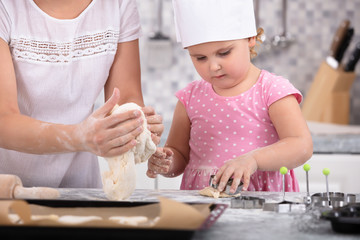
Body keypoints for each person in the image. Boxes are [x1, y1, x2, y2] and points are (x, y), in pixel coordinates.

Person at [147, 0, 313, 193]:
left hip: (263, 202)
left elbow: (301, 145)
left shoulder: (272, 90)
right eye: (200, 57)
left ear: (250, 38)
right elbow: (179, 156)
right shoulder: (190, 98)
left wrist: (254, 160)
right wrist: (166, 161)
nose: (213, 66)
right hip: (201, 204)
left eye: (224, 53)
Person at [0, 0, 164, 188]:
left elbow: (125, 100)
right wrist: (79, 137)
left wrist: (136, 125)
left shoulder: (118, 5)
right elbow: (3, 120)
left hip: (81, 188)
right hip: (8, 190)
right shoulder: (6, 7)